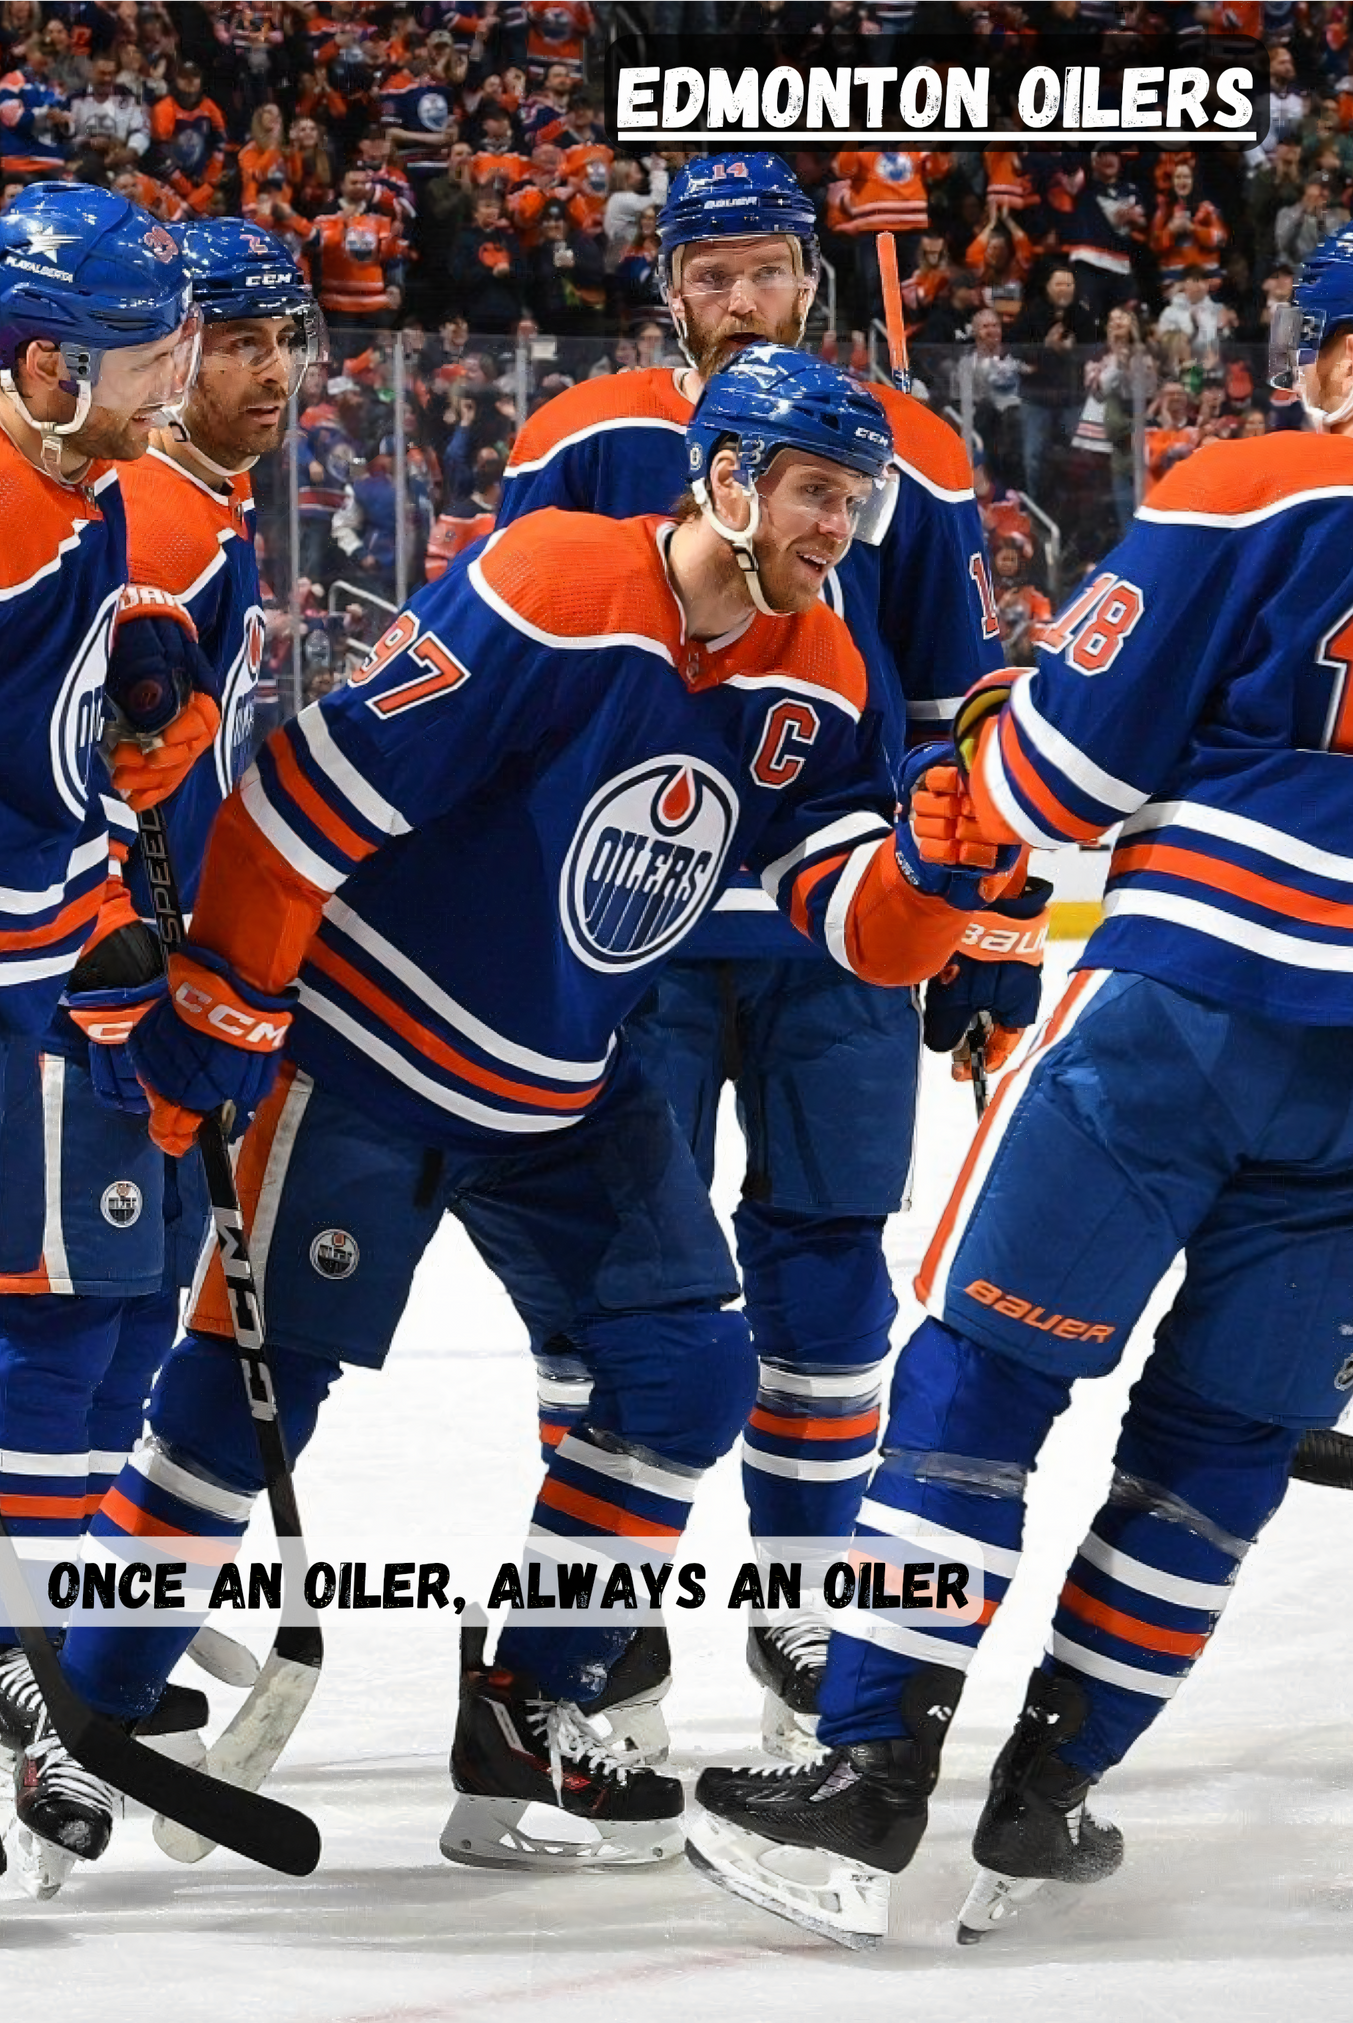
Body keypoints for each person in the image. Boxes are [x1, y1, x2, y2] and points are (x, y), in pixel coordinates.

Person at [20, 345, 1019, 1881]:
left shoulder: (823, 671)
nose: (842, 528)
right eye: (819, 492)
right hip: (368, 1050)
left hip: (566, 1081)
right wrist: (227, 1000)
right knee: (242, 1388)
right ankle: (81, 1709)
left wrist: (939, 883)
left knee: (688, 1374)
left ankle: (528, 1698)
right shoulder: (554, 581)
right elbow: (307, 792)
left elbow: (844, 913)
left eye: (858, 496)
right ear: (732, 476)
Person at [686, 215, 1353, 1949]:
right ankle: (1052, 1788)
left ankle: (863, 1778)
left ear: (1343, 352)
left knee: (985, 1377)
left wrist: (980, 769)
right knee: (1223, 1439)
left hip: (1187, 1004)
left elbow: (1065, 768)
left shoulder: (1261, 482)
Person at [495, 151, 1028, 1764]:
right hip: (621, 935)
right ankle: (613, 1589)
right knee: (615, 1299)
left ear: (810, 274)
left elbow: (962, 710)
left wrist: (984, 921)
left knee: (825, 1271)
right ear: (666, 282)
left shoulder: (909, 457)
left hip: (834, 933)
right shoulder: (577, 444)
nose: (740, 300)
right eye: (709, 274)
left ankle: (797, 1588)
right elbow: (514, 682)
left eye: (767, 272)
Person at [0, 219, 325, 1904]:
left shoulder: (107, 504)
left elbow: (73, 775)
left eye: (237, 340)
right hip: (33, 998)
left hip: (61, 977)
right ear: (50, 363)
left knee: (87, 1332)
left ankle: (19, 1685)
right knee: (53, 1325)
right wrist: (113, 925)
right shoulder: (60, 516)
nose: (208, 376)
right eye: (181, 345)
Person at [0, 180, 200, 1936]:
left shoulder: (81, 486)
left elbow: (34, 766)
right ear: (45, 360)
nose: (164, 384)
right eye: (140, 358)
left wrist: (103, 858)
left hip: (12, 987)